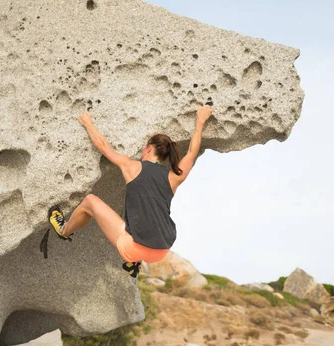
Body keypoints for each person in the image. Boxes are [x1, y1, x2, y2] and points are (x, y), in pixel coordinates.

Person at [45, 104, 213, 277]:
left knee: (90, 201)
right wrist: (200, 120)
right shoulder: (174, 177)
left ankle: (63, 230)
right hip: (162, 250)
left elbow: (103, 146)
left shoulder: (132, 167)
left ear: (148, 148)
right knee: (143, 212)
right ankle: (133, 263)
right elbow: (192, 152)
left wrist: (88, 123)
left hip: (134, 247)